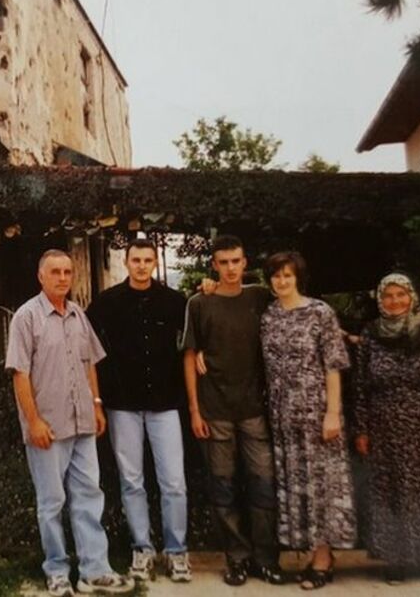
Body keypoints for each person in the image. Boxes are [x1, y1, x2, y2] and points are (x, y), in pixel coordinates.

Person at [5, 249, 134, 596]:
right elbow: (20, 374)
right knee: (51, 503)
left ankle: (94, 571)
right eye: (55, 272)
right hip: (48, 428)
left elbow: (89, 362)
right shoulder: (26, 317)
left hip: (82, 426)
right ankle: (57, 572)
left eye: (67, 272)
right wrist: (33, 422)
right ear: (41, 276)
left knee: (89, 496)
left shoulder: (78, 314)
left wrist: (96, 405)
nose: (63, 278)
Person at [182, 234, 285, 587]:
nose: (230, 268)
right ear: (213, 264)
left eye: (236, 261)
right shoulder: (199, 303)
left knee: (264, 484)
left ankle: (266, 559)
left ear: (245, 262)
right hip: (215, 411)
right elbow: (188, 356)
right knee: (223, 489)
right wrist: (195, 410)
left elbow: (294, 301)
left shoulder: (259, 296)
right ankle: (237, 560)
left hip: (254, 409)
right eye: (223, 262)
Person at [86, 238, 191, 582]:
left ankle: (176, 552)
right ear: (127, 262)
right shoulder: (107, 303)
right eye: (136, 260)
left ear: (155, 262)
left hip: (165, 405)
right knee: (132, 482)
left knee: (173, 482)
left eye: (148, 260)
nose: (142, 265)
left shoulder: (175, 302)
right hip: (123, 405)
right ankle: (142, 549)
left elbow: (194, 340)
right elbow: (85, 343)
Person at [353, 273, 420, 584]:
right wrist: (361, 429)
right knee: (390, 492)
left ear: (412, 296)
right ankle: (396, 559)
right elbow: (360, 387)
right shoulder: (371, 336)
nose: (395, 301)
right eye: (388, 296)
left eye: (401, 294)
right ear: (380, 300)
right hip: (384, 424)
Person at [259, 251, 356, 590]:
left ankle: (323, 558)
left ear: (298, 277)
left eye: (287, 275)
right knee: (296, 486)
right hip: (283, 416)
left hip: (317, 413)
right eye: (275, 275)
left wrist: (333, 413)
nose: (281, 281)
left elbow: (333, 365)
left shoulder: (320, 312)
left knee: (322, 487)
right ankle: (307, 552)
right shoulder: (269, 315)